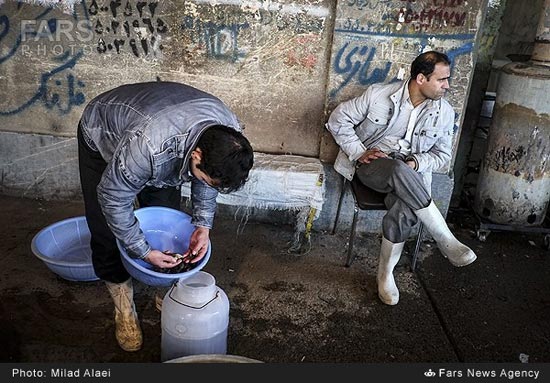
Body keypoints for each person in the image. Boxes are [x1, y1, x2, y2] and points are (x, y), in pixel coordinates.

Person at [77, 81, 254, 352]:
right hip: (103, 131)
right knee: (107, 229)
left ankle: (164, 285)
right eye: (205, 176)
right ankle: (124, 309)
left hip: (161, 135)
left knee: (165, 216)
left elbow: (208, 181)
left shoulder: (229, 135)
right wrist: (142, 251)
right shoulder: (147, 146)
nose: (207, 183)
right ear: (197, 155)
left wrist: (203, 225)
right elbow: (113, 198)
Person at [325, 51, 476, 306]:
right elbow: (338, 120)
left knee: (405, 207)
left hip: (410, 177)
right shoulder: (378, 95)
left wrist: (417, 161)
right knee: (396, 169)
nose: (447, 86)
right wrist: (359, 152)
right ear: (420, 78)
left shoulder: (445, 112)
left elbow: (442, 155)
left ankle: (385, 275)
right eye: (441, 80)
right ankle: (444, 237)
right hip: (373, 168)